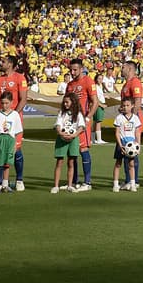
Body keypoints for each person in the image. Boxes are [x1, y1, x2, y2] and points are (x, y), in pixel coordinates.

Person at [0, 54, 28, 191]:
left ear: (10, 64)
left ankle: (19, 180)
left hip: (14, 121)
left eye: (3, 62)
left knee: (15, 149)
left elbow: (23, 99)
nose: (0, 64)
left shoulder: (20, 78)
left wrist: (14, 115)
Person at [66, 58, 98, 191]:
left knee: (83, 149)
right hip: (71, 122)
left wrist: (88, 118)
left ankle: (87, 182)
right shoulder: (70, 85)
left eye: (75, 70)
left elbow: (95, 102)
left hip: (82, 121)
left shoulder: (88, 81)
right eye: (71, 70)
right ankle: (74, 181)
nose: (73, 72)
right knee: (72, 150)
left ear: (81, 69)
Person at [0, 90, 21, 193]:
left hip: (10, 140)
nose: (4, 105)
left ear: (11, 102)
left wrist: (16, 144)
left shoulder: (15, 114)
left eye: (6, 103)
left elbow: (17, 131)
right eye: (2, 103)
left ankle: (5, 184)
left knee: (7, 163)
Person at [51, 93, 84, 194]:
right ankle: (56, 186)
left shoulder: (78, 114)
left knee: (71, 162)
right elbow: (58, 124)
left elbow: (81, 127)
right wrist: (60, 132)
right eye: (64, 102)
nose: (65, 104)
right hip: (62, 139)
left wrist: (74, 135)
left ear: (73, 102)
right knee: (59, 162)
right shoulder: (62, 113)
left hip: (73, 140)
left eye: (67, 102)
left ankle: (70, 185)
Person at [119, 60, 143, 187]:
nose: (121, 69)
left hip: (132, 122)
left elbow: (137, 103)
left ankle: (134, 180)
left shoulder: (135, 83)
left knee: (132, 149)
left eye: (123, 67)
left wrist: (131, 120)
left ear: (129, 69)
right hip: (126, 122)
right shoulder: (126, 84)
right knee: (125, 149)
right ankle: (128, 179)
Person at [112, 97, 142, 193]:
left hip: (132, 146)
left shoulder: (135, 118)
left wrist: (138, 145)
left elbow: (137, 132)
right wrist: (120, 145)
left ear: (132, 106)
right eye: (123, 105)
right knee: (118, 163)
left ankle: (133, 184)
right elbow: (117, 133)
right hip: (121, 144)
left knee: (131, 164)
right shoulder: (119, 118)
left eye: (127, 105)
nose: (125, 107)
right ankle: (115, 184)